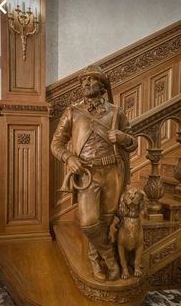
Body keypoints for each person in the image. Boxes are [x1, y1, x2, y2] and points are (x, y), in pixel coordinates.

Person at [51, 65, 137, 281]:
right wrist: (69, 158)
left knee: (105, 221)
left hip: (112, 172)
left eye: (92, 80)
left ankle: (94, 258)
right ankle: (109, 258)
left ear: (102, 85)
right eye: (83, 82)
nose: (86, 84)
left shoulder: (116, 112)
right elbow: (56, 143)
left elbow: (132, 141)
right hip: (87, 174)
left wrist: (124, 138)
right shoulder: (73, 112)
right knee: (89, 222)